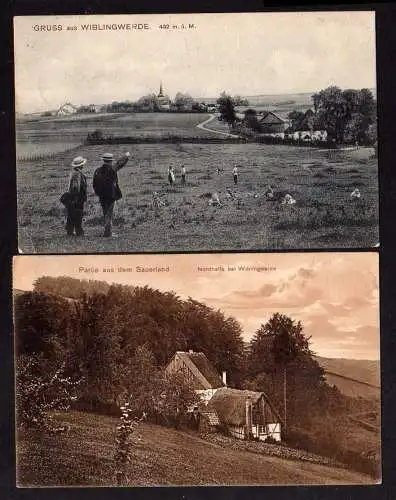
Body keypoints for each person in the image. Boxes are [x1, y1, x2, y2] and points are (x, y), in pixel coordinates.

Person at [93, 151, 130, 237]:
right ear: (110, 161)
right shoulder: (112, 169)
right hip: (110, 196)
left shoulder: (97, 171)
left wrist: (98, 193)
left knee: (105, 212)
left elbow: (94, 184)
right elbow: (120, 163)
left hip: (101, 196)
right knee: (109, 214)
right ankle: (108, 233)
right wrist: (127, 156)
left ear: (104, 160)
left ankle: (107, 231)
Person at [65, 156, 87, 236]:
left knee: (72, 214)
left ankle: (71, 230)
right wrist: (77, 197)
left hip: (75, 197)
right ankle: (78, 231)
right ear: (80, 165)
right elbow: (75, 188)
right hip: (77, 198)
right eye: (82, 164)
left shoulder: (75, 173)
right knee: (77, 214)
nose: (83, 165)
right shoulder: (77, 174)